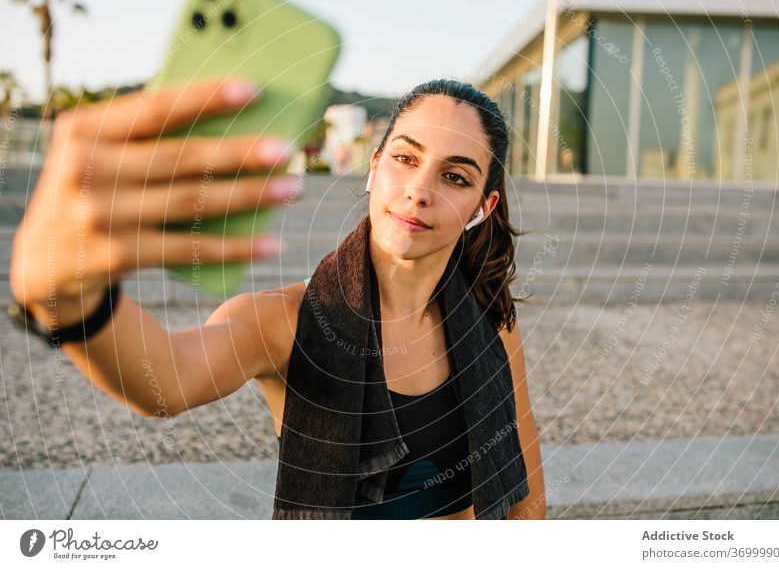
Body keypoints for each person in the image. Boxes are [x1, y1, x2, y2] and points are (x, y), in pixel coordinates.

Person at [9, 77, 546, 520]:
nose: (420, 189)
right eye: (406, 159)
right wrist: (71, 299)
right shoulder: (286, 321)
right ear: (374, 166)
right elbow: (163, 383)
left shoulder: (488, 314)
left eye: (455, 176)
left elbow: (525, 498)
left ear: (482, 205)